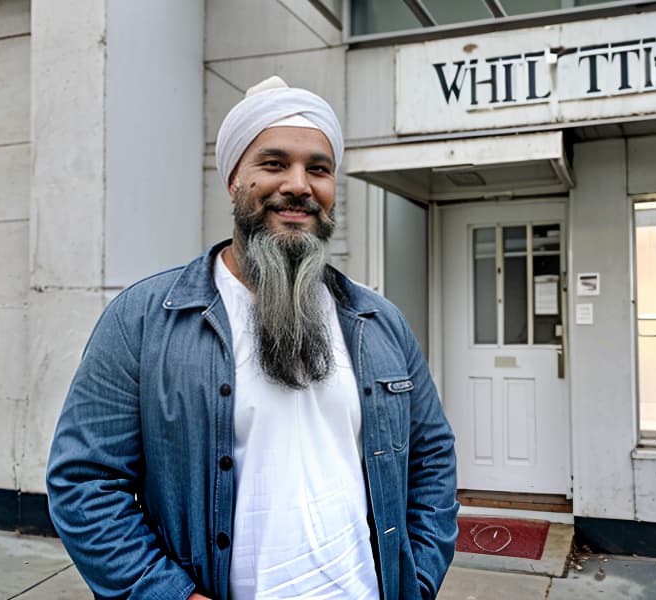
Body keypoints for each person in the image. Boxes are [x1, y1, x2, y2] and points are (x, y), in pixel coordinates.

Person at [46, 76, 459, 600]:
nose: (298, 185)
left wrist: (417, 579)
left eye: (318, 169)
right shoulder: (143, 320)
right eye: (273, 163)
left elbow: (431, 456)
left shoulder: (378, 321)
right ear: (233, 181)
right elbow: (85, 483)